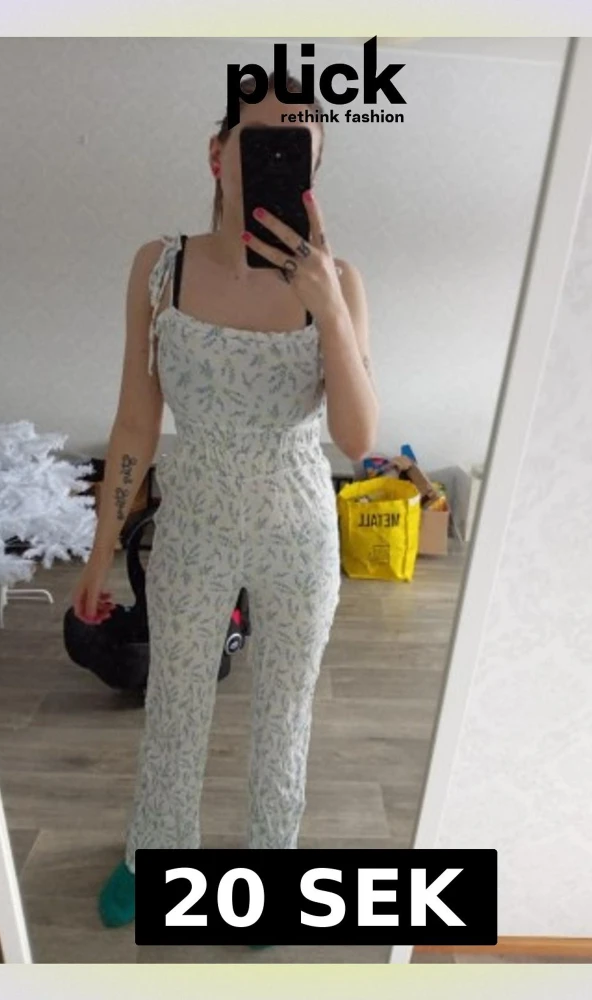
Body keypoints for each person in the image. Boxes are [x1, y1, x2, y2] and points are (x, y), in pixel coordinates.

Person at [70, 71, 379, 932]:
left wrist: (330, 312)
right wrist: (100, 551)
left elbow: (358, 438)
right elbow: (136, 421)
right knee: (176, 698)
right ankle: (154, 856)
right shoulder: (159, 267)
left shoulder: (341, 280)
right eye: (259, 138)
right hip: (194, 523)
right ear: (218, 152)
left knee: (285, 708)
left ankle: (271, 873)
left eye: (297, 147)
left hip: (298, 530)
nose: (275, 156)